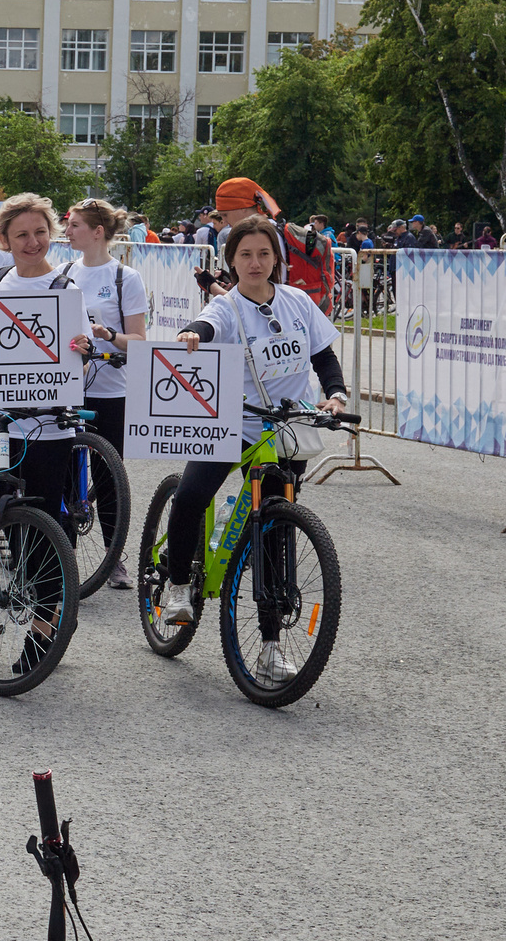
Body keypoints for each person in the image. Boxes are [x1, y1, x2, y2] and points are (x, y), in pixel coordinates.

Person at [157, 213, 352, 674]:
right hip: (232, 423)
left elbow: (323, 355)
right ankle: (180, 584)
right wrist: (191, 335)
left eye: (264, 253)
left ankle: (269, 649)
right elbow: (204, 324)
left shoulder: (298, 302)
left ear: (276, 259)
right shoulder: (228, 307)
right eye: (245, 254)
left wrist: (336, 395)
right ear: (232, 260)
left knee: (275, 535)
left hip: (286, 428)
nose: (255, 262)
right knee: (189, 496)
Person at [0, 195, 100, 531]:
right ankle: (19, 583)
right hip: (1, 424)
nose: (33, 242)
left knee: (46, 526)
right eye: (22, 235)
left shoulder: (64, 288)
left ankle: (49, 586)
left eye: (40, 232)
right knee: (9, 521)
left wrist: (81, 356)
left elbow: (81, 367)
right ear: (4, 239)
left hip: (48, 429)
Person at [63, 198, 145, 588]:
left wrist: (109, 336)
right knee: (60, 470)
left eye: (75, 224)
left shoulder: (124, 278)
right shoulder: (63, 272)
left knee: (108, 474)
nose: (67, 230)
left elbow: (139, 341)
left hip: (112, 390)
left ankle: (114, 558)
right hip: (68, 386)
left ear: (98, 232)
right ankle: (61, 552)